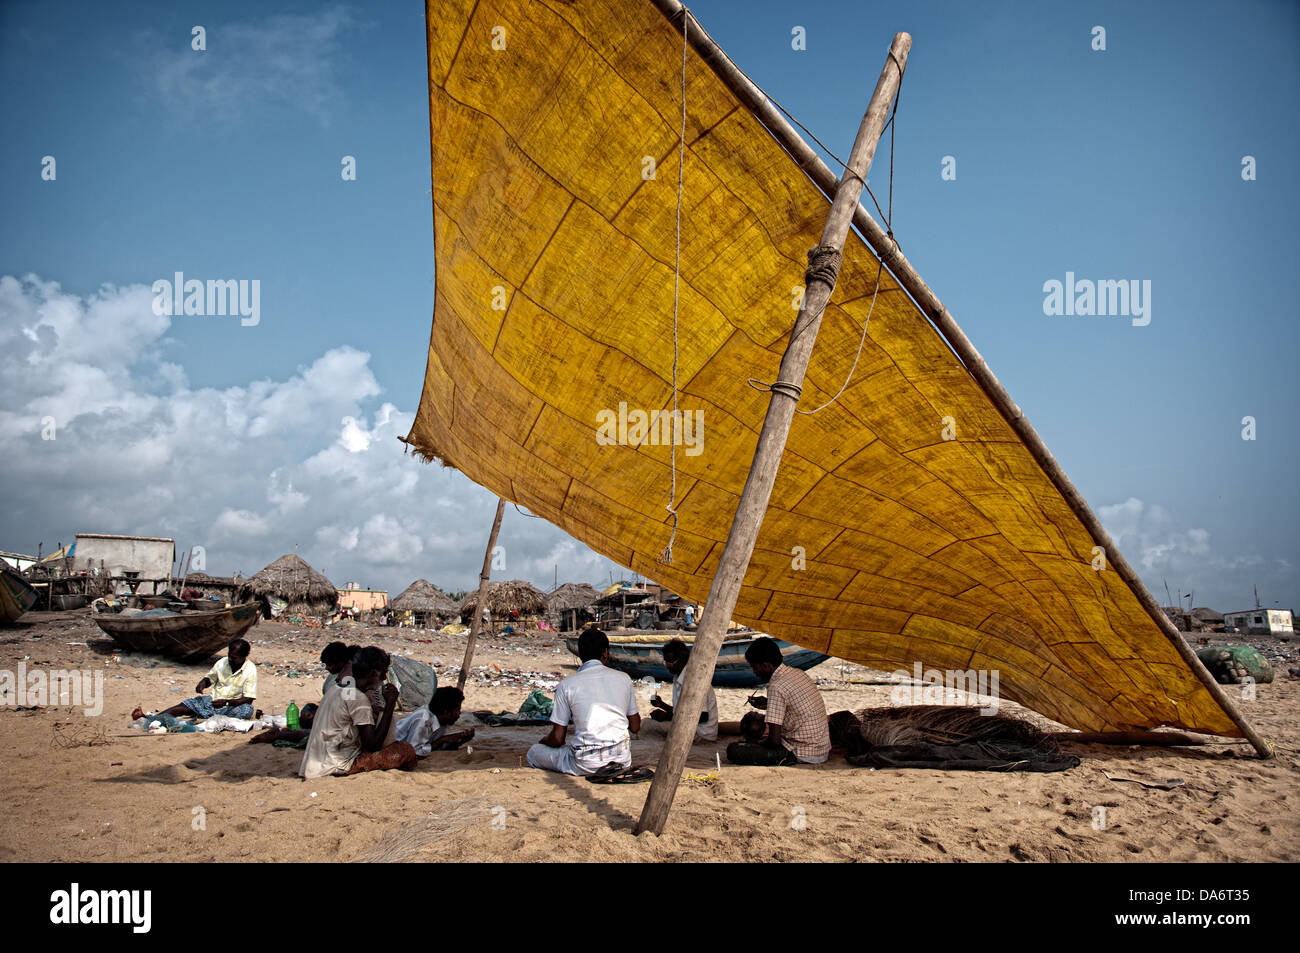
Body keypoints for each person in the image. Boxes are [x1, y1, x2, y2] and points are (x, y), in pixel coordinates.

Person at [527, 628, 639, 776]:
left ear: (580, 654)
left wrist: (545, 740)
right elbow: (636, 726)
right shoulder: (624, 678)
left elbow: (558, 738)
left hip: (585, 763)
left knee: (534, 752)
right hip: (621, 760)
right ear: (605, 652)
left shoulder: (566, 685)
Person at [299, 647, 416, 778]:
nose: (383, 678)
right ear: (373, 674)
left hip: (315, 764)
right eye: (383, 674)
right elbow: (373, 745)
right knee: (406, 751)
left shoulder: (336, 689)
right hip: (335, 766)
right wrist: (390, 704)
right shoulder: (358, 699)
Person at [726, 637, 830, 766]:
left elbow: (774, 741)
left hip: (803, 753)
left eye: (755, 667)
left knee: (734, 750)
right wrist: (769, 704)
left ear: (766, 665)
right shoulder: (796, 673)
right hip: (821, 749)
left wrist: (755, 744)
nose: (754, 672)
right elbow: (793, 706)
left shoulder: (776, 686)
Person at [133, 638, 257, 721]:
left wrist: (226, 702)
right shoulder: (222, 662)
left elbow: (248, 698)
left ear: (244, 656)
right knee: (185, 705)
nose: (230, 660)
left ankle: (206, 716)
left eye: (234, 658)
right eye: (230, 656)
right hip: (213, 702)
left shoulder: (250, 669)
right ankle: (150, 719)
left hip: (231, 706)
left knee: (247, 710)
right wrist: (202, 684)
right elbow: (210, 678)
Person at [647, 639, 718, 742]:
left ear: (682, 661)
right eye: (665, 662)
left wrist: (667, 717)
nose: (667, 666)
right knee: (649, 725)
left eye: (670, 662)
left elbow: (703, 716)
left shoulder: (693, 679)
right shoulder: (678, 677)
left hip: (701, 733)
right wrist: (662, 705)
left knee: (647, 726)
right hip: (691, 729)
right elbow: (681, 712)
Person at [395, 686, 474, 756]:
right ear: (446, 712)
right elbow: (415, 752)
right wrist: (442, 740)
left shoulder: (441, 721)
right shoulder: (423, 719)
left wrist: (459, 741)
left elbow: (434, 748)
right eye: (457, 710)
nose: (459, 713)